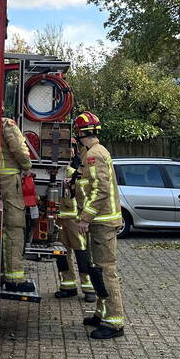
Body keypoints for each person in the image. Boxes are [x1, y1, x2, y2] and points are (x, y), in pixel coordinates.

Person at [73, 111, 126, 339]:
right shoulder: (93, 153)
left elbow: (100, 190)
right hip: (101, 223)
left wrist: (85, 217)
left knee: (105, 271)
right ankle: (101, 313)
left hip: (101, 223)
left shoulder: (94, 155)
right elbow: (90, 182)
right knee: (97, 270)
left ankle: (114, 323)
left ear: (79, 133)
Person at [53, 140, 97, 302]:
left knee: (81, 252)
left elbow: (86, 193)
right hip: (57, 219)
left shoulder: (75, 173)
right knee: (61, 253)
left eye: (71, 148)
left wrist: (72, 185)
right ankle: (68, 285)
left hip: (74, 218)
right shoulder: (51, 172)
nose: (68, 151)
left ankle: (89, 288)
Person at [0, 115, 34, 293]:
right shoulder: (6, 124)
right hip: (10, 182)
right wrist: (27, 166)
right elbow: (20, 149)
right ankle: (14, 278)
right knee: (14, 227)